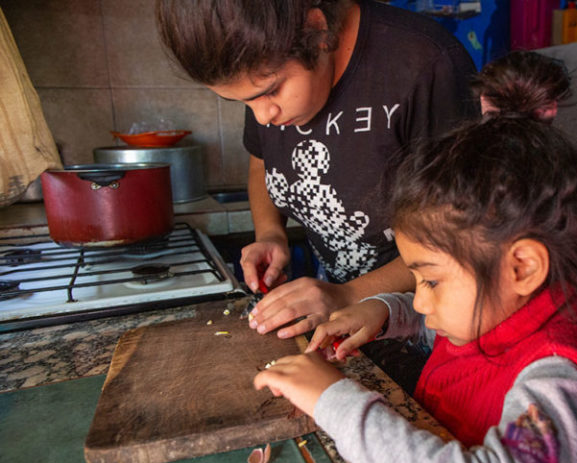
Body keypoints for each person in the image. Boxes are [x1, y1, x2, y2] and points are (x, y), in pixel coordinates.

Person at [253, 60, 577, 463]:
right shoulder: (502, 308)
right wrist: (386, 312)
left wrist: (334, 400)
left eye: (432, 279)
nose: (421, 298)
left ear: (521, 268)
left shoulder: (556, 381)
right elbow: (457, 340)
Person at [156, 0, 479, 340]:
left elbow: (461, 233)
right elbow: (261, 159)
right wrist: (270, 234)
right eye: (244, 103)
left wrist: (347, 295)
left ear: (316, 31)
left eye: (270, 92)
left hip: (432, 322)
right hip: (340, 304)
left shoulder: (426, 63)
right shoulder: (263, 75)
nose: (263, 116)